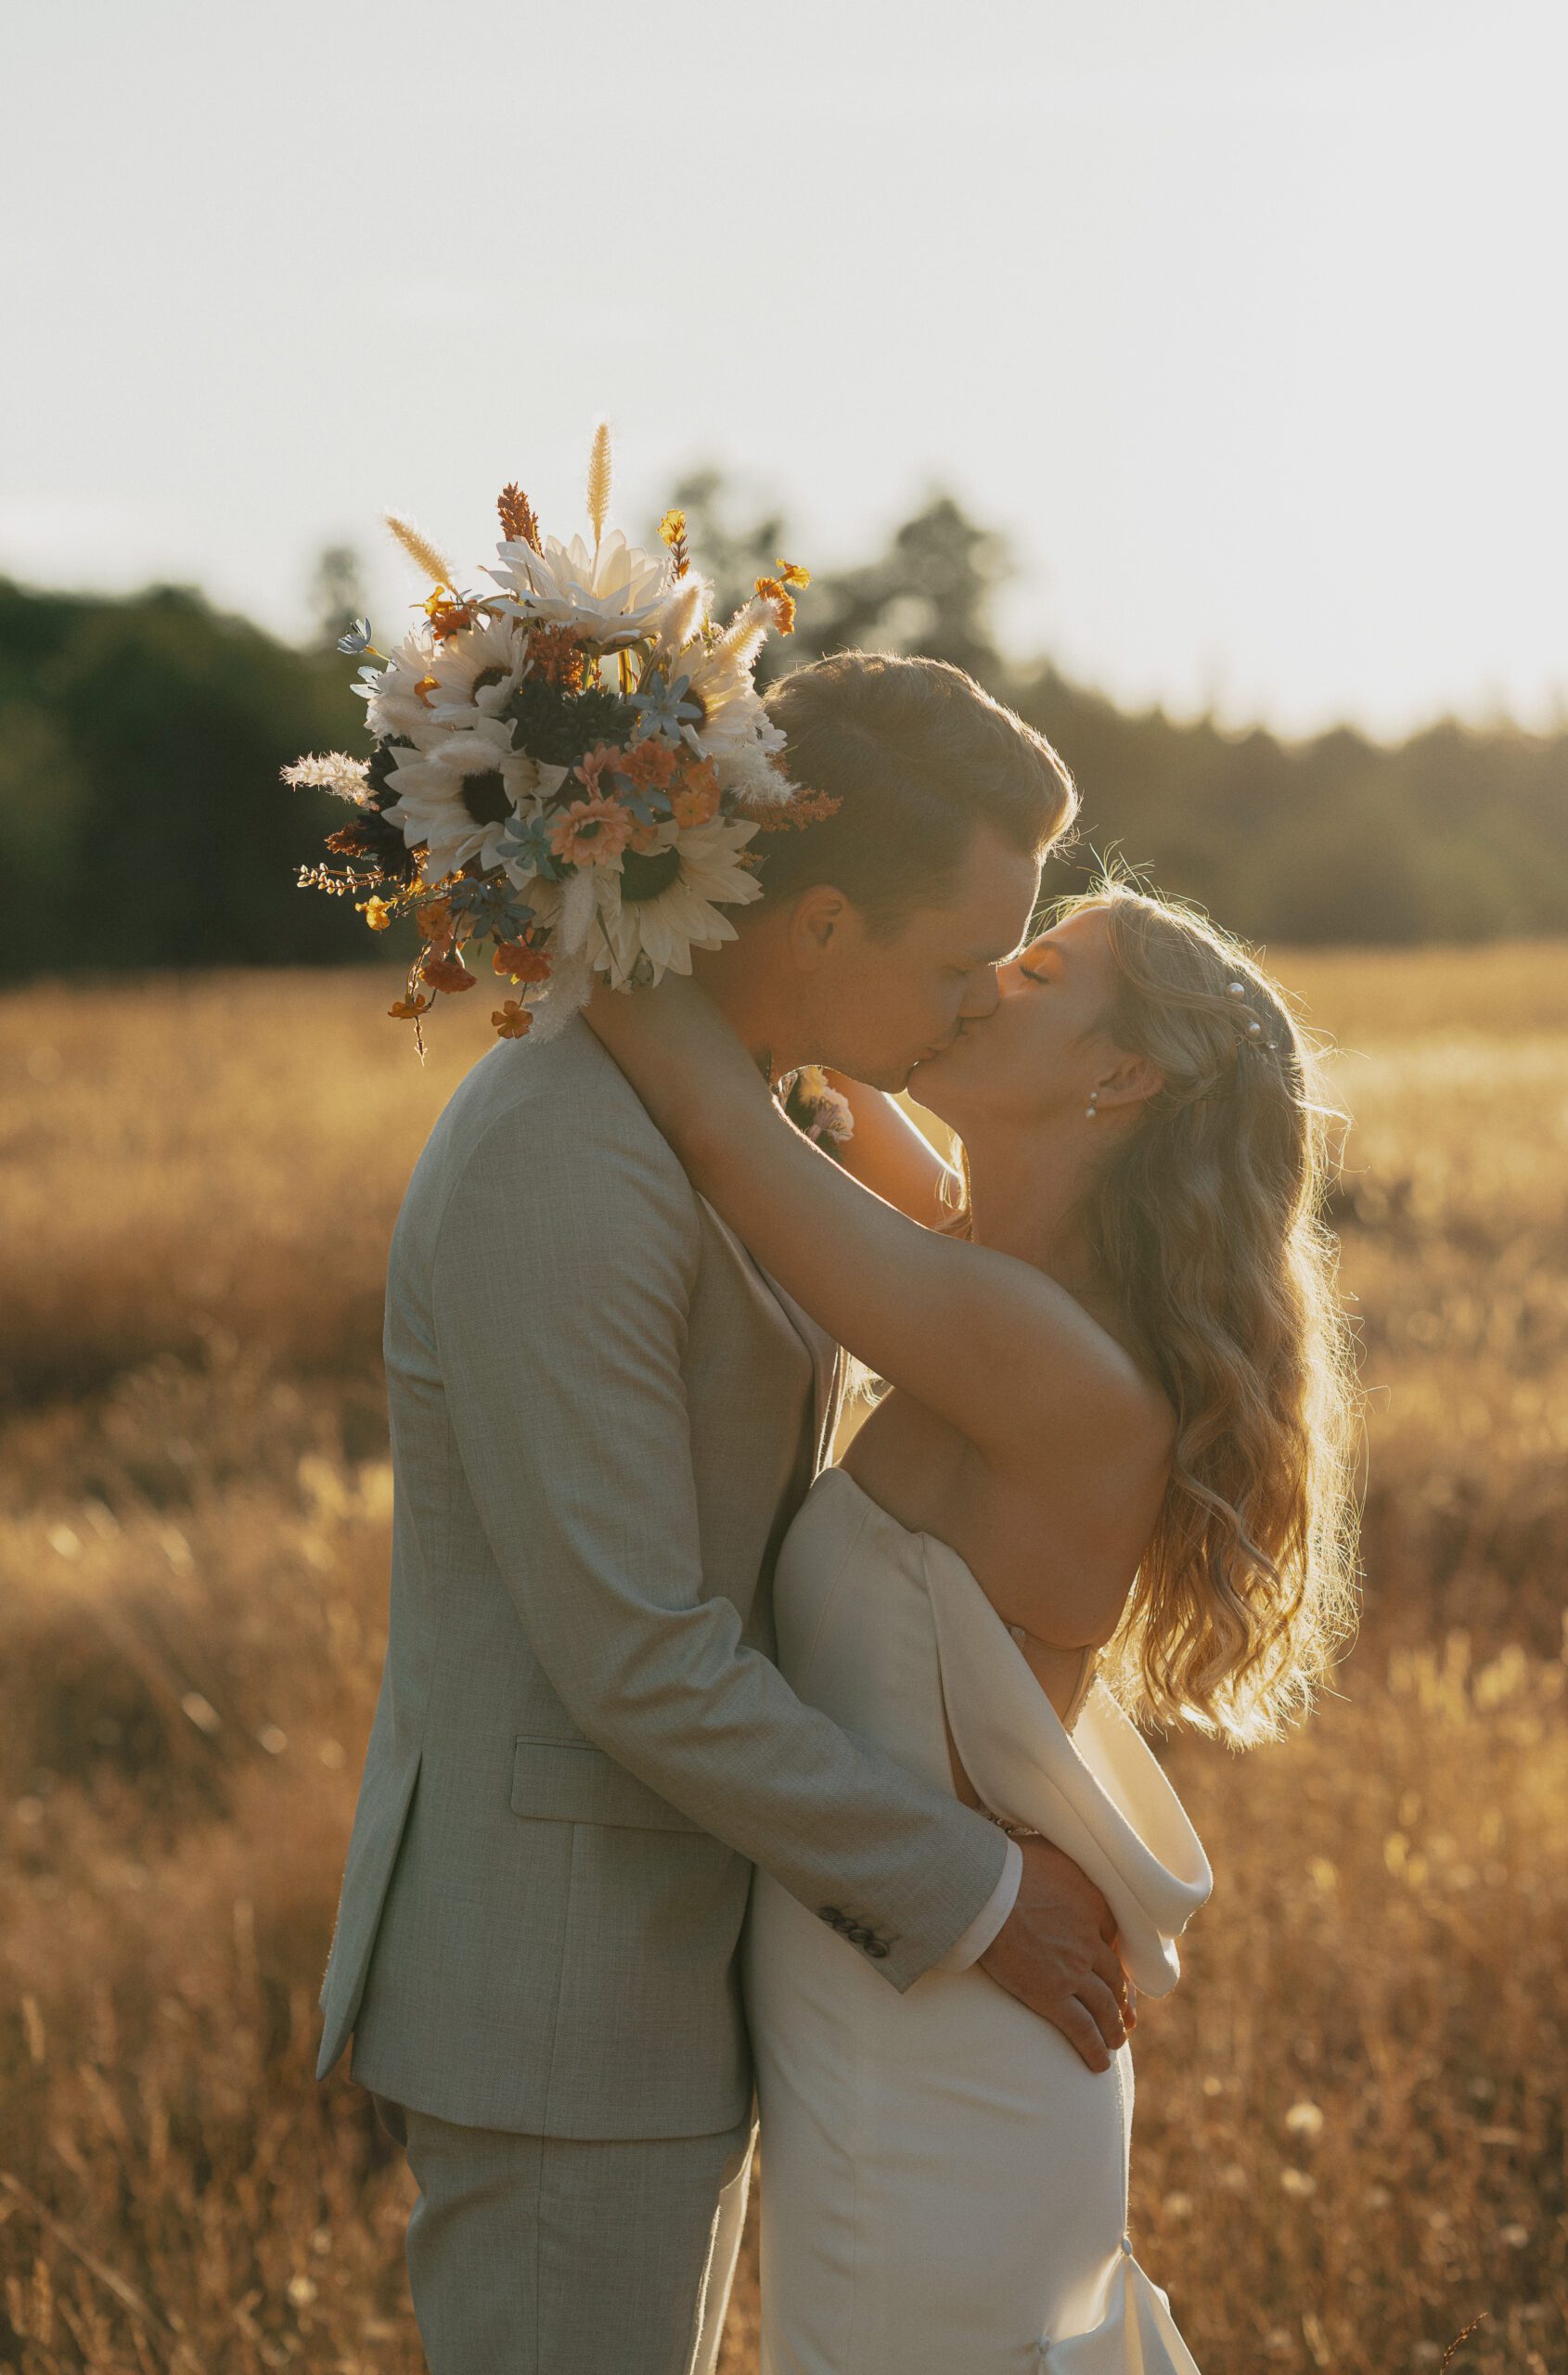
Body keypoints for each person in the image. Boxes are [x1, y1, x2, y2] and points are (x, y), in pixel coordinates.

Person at [315, 652, 1143, 2375]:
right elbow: (637, 1657)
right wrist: (978, 1894)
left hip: (668, 1982)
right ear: (822, 925)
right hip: (561, 2005)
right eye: (956, 962)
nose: (979, 1005)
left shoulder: (736, 1119)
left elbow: (987, 1294)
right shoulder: (566, 1149)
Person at [585, 873, 1360, 2370]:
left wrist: (564, 853)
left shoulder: (1037, 1355)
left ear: (1117, 1076)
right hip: (911, 2004)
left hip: (937, 2067)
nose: (989, 976)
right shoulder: (994, 1272)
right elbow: (803, 1070)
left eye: (1045, 966)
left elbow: (713, 1110)